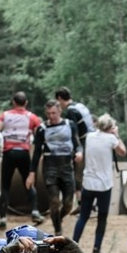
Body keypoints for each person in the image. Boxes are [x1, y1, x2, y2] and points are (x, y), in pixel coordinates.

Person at [0, 91, 43, 230]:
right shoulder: (32, 117)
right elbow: (40, 135)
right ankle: (34, 211)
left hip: (9, 153)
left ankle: (3, 218)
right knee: (28, 182)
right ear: (26, 103)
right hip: (23, 152)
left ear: (13, 102)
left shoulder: (5, 115)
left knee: (5, 185)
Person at [72, 113, 125, 253]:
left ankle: (72, 246)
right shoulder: (111, 139)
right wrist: (117, 135)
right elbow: (122, 152)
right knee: (102, 218)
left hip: (88, 183)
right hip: (104, 186)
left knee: (83, 216)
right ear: (110, 127)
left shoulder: (90, 136)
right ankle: (96, 249)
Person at [31, 99, 82, 236]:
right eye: (48, 113)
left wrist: (79, 152)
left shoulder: (69, 124)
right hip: (50, 166)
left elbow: (77, 143)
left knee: (68, 204)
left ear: (60, 111)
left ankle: (57, 218)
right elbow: (36, 152)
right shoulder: (42, 128)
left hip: (66, 166)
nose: (51, 116)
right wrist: (32, 172)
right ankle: (58, 230)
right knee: (54, 201)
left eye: (53, 113)